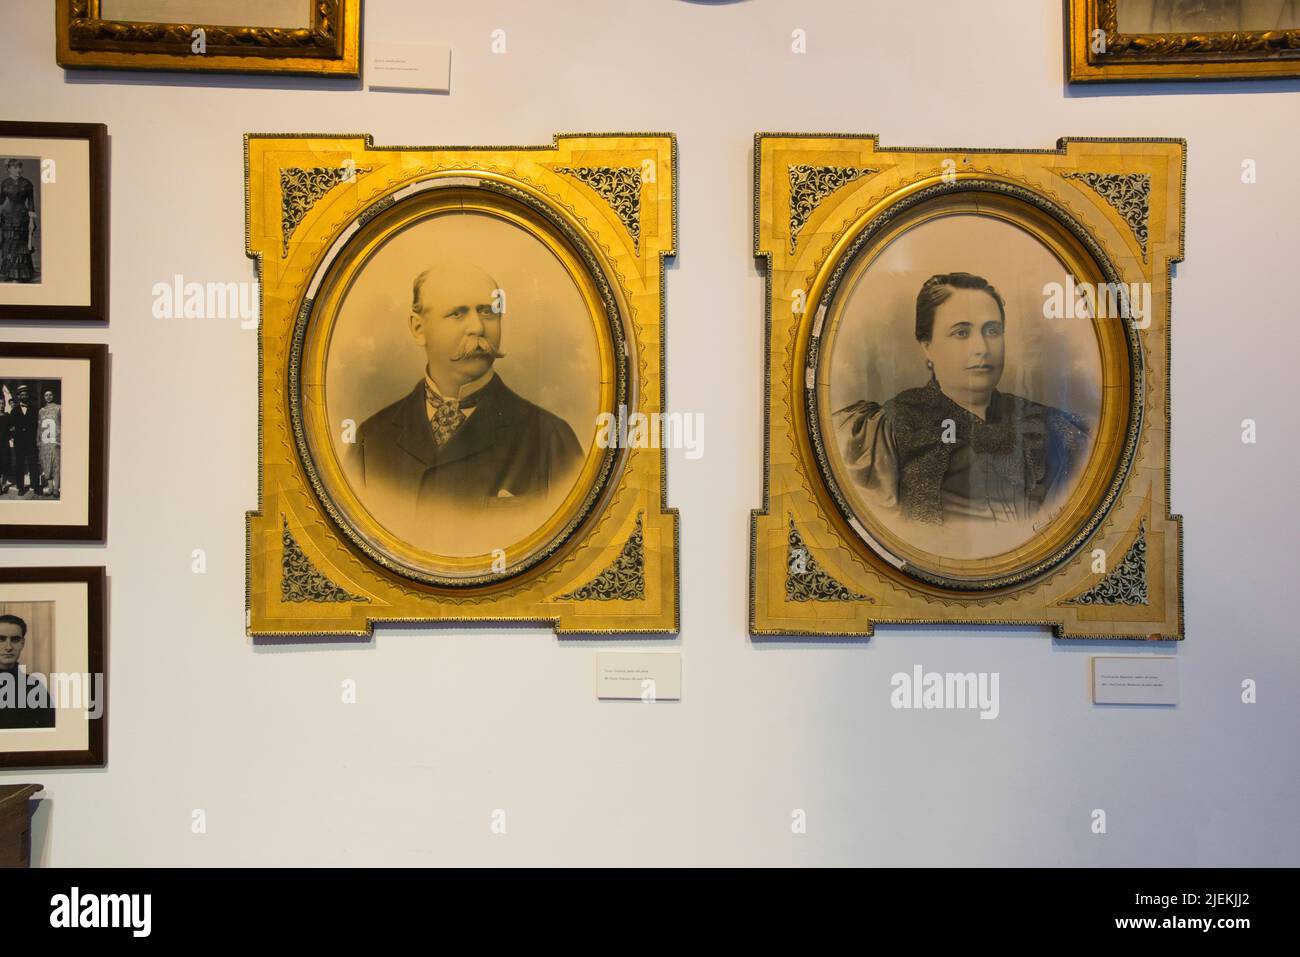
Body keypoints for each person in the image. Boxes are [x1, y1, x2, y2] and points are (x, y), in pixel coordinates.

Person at [833, 272, 1089, 530]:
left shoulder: (1050, 426)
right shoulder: (886, 431)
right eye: (961, 332)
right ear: (927, 346)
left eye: (992, 330)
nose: (981, 347)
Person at [348, 261, 583, 532]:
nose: (477, 328)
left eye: (487, 312)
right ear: (418, 329)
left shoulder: (551, 439)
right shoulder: (370, 439)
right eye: (458, 314)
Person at [0, 613, 55, 730]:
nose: (8, 647)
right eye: (1, 639)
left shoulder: (34, 687)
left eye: (15, 639)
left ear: (22, 643)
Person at [0, 159, 37, 283]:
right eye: (15, 167)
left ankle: (20, 274)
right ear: (9, 169)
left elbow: (31, 204)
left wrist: (31, 221)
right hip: (7, 217)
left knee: (21, 244)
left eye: (19, 167)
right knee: (8, 244)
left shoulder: (27, 183)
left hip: (22, 217)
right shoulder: (4, 183)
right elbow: (0, 200)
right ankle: (8, 272)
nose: (18, 170)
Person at [11, 385, 40, 497]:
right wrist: (16, 434)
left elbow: (37, 426)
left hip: (31, 442)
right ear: (19, 396)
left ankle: (36, 486)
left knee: (33, 464)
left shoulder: (34, 410)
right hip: (19, 443)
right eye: (22, 394)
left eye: (26, 394)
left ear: (28, 396)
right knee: (19, 465)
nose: (24, 396)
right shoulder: (14, 411)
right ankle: (21, 487)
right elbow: (10, 427)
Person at [38, 388, 60, 498]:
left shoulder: (59, 408)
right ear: (43, 397)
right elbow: (39, 427)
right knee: (47, 465)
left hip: (55, 441)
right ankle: (50, 487)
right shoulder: (41, 411)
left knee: (56, 465)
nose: (48, 397)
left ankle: (56, 489)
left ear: (53, 395)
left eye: (50, 394)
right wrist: (38, 441)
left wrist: (61, 439)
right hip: (44, 442)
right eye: (46, 395)